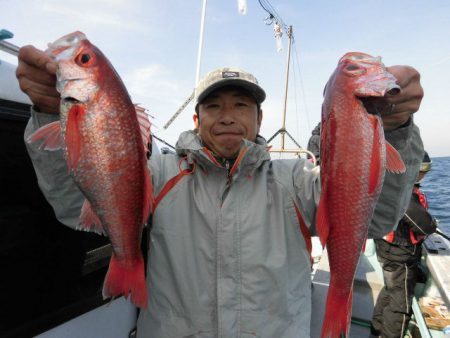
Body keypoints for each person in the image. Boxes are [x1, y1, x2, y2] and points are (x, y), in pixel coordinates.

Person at [17, 44, 425, 337]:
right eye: (214, 106)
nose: (227, 117)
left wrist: (397, 129)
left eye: (241, 106)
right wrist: (50, 113)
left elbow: (374, 216)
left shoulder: (294, 181)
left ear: (259, 117)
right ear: (197, 118)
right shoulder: (157, 174)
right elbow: (76, 206)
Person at [371, 152, 436, 338]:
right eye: (422, 169)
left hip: (388, 252)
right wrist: (433, 225)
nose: (424, 174)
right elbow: (424, 224)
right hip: (400, 256)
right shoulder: (403, 194)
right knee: (400, 307)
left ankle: (376, 332)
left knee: (389, 292)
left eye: (427, 169)